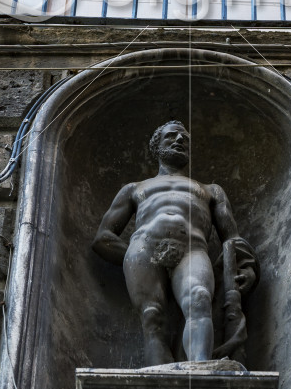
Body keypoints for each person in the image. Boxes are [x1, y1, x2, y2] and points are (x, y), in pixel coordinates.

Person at [92, 120, 258, 366]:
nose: (180, 140)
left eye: (185, 139)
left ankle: (201, 369)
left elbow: (232, 240)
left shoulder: (211, 190)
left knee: (200, 298)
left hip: (193, 249)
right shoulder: (134, 189)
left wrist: (246, 267)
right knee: (152, 317)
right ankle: (160, 377)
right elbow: (103, 238)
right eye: (172, 136)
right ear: (156, 146)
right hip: (144, 249)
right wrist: (137, 256)